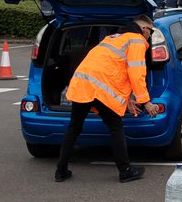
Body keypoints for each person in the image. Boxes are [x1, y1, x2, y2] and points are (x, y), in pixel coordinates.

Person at [54, 15, 160, 184]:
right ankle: (125, 171)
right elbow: (136, 73)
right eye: (151, 32)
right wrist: (145, 101)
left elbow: (113, 70)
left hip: (82, 83)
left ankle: (60, 171)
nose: (150, 36)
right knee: (115, 126)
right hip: (99, 88)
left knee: (74, 127)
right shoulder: (136, 41)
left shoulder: (113, 38)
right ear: (145, 29)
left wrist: (128, 100)